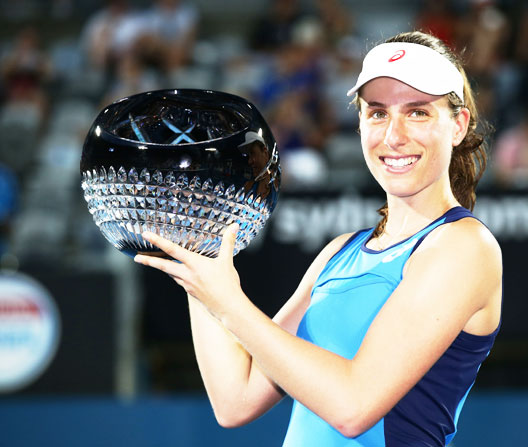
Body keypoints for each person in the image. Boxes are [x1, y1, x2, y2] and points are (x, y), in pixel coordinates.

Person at [134, 30, 503, 447]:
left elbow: (353, 407)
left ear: (458, 124)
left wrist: (230, 303)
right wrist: (197, 256)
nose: (394, 136)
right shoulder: (339, 252)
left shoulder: (465, 247)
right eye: (377, 113)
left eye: (417, 112)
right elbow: (234, 399)